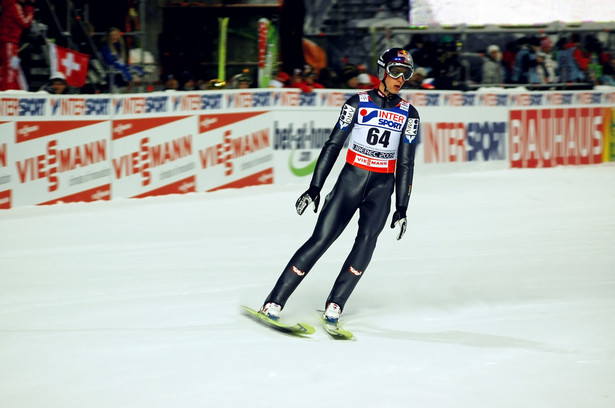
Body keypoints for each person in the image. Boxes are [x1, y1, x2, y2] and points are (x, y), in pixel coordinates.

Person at [258, 48, 420, 325]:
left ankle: (336, 304)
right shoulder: (356, 103)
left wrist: (402, 207)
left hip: (381, 188)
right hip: (350, 181)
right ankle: (274, 301)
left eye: (406, 74)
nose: (400, 78)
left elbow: (406, 163)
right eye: (395, 71)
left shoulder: (410, 114)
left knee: (366, 244)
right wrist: (315, 187)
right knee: (320, 240)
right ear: (382, 71)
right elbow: (333, 144)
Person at [0, 0, 35, 91]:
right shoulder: (14, 5)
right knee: (10, 67)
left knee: (13, 66)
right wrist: (30, 7)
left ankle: (14, 89)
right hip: (9, 41)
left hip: (13, 43)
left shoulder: (13, 5)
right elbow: (25, 23)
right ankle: (7, 91)